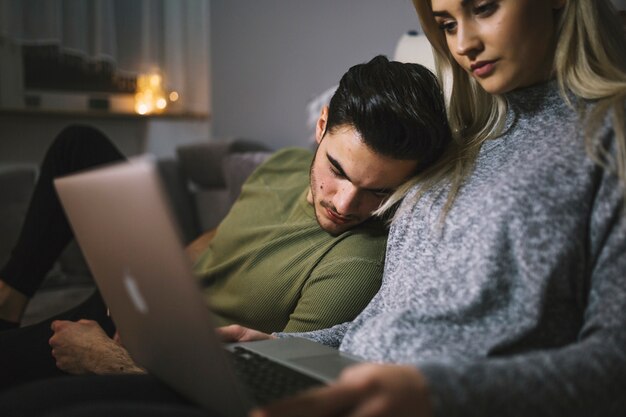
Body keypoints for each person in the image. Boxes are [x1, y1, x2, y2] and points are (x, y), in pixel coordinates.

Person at [4, 0, 626, 415]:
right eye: (444, 20)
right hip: (333, 378)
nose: (463, 41)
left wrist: (431, 393)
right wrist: (279, 344)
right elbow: (384, 320)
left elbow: (613, 363)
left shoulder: (608, 135)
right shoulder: (467, 138)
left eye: (484, 5)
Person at [0, 55, 452, 389]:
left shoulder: (358, 263)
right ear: (321, 126)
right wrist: (146, 281)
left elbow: (273, 390)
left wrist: (114, 361)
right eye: (337, 170)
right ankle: (9, 299)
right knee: (79, 144)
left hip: (154, 363)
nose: (347, 204)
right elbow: (219, 237)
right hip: (144, 302)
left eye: (379, 191)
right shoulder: (283, 165)